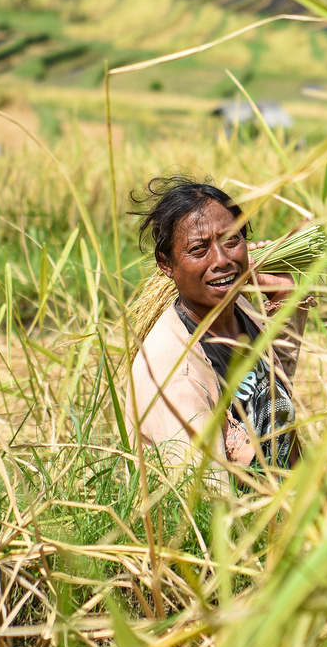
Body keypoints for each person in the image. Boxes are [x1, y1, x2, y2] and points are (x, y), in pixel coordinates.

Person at [127, 177, 306, 470]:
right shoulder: (176, 375)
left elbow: (273, 392)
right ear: (166, 263)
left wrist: (285, 296)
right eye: (199, 249)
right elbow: (206, 497)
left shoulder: (241, 310)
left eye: (232, 240)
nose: (222, 259)